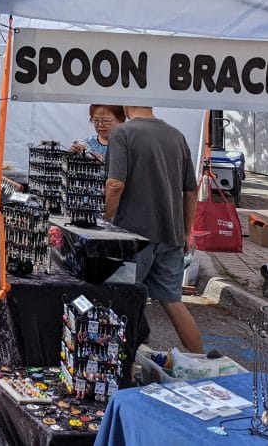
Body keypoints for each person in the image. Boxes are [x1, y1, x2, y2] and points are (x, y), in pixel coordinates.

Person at [105, 106, 202, 353]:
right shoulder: (176, 135)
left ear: (127, 105)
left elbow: (115, 184)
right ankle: (201, 364)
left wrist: (102, 221)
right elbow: (191, 190)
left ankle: (122, 372)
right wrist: (186, 232)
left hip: (133, 237)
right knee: (173, 302)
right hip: (170, 234)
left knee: (121, 302)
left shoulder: (122, 133)